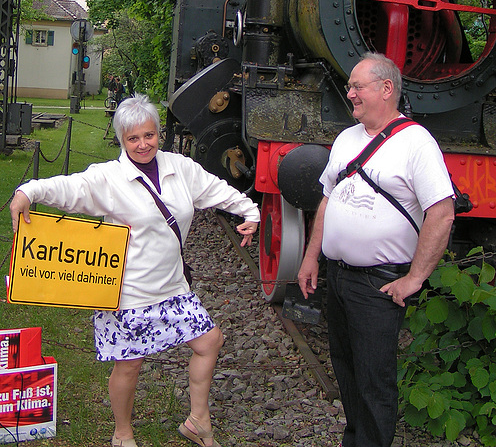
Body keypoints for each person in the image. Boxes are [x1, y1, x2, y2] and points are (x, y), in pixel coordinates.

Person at [10, 94, 260, 447]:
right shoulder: (108, 178)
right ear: (122, 140)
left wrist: (249, 211)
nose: (143, 144)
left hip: (173, 288)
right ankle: (122, 432)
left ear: (159, 133)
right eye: (133, 138)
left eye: (149, 135)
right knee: (130, 364)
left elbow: (215, 189)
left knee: (209, 342)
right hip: (129, 292)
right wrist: (27, 192)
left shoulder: (180, 167)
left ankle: (197, 422)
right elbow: (69, 187)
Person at [297, 52, 454, 447]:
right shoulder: (346, 139)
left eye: (356, 86)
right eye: (350, 87)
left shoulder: (417, 143)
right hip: (340, 276)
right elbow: (327, 199)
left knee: (374, 380)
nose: (349, 93)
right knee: (347, 371)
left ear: (386, 89)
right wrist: (312, 256)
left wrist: (415, 279)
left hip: (379, 284)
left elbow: (442, 212)